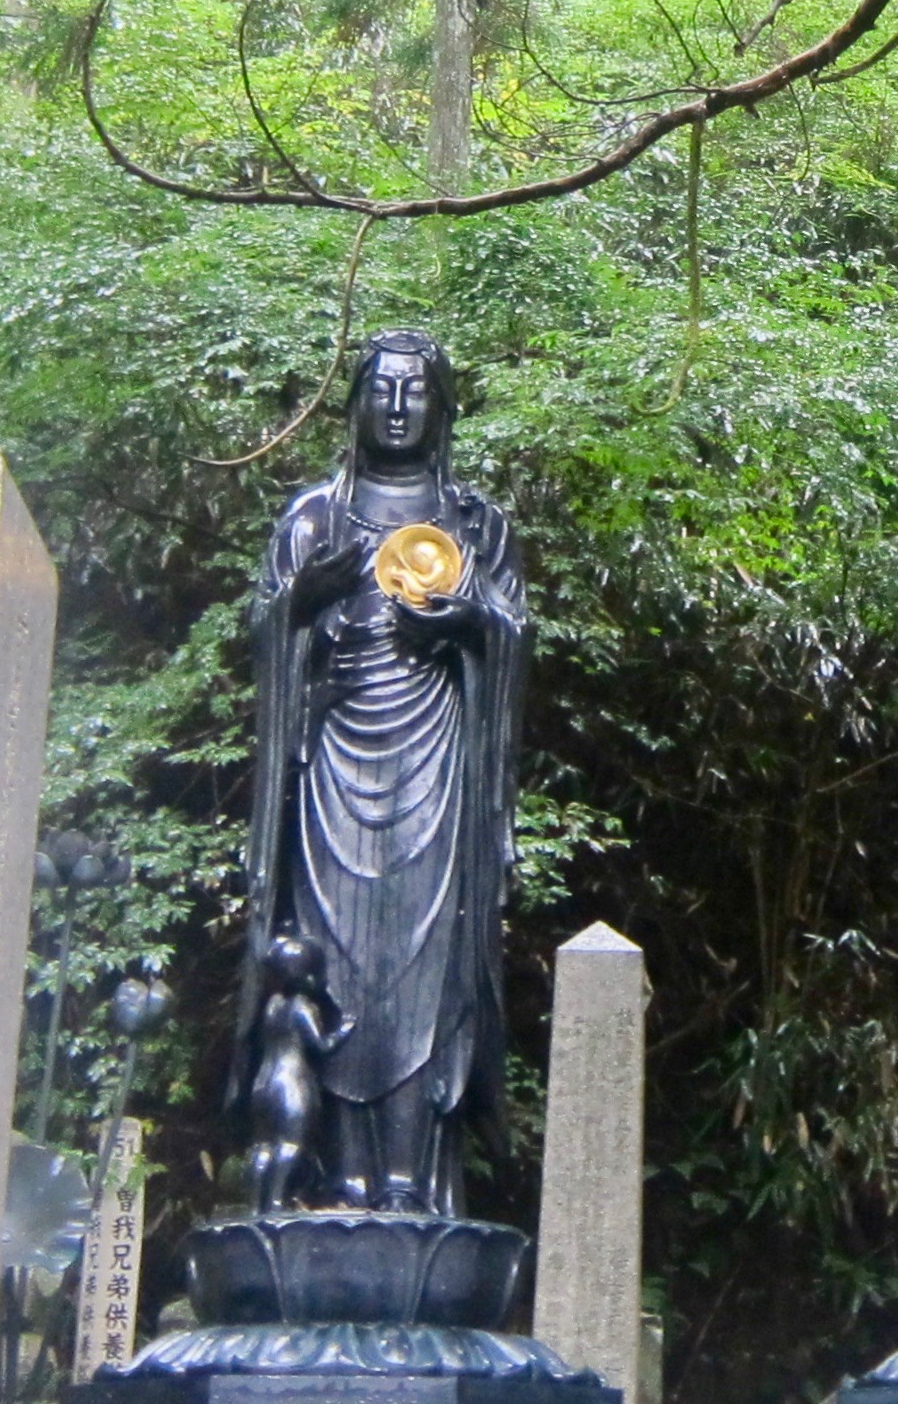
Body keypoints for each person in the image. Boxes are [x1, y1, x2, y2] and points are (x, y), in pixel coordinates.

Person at [234, 331, 528, 1215]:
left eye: (415, 392)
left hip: (434, 767)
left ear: (440, 407)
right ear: (354, 403)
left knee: (423, 971)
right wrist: (300, 602)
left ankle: (409, 1182)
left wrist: (472, 620)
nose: (397, 408)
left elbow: (514, 634)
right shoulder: (314, 517)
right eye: (381, 390)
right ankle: (343, 1178)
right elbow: (265, 632)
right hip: (330, 767)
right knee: (334, 970)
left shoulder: (476, 523)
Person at [247, 935, 348, 1215]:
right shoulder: (302, 1006)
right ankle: (276, 1201)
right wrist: (344, 1030)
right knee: (290, 1144)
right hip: (291, 1080)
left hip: (263, 1082)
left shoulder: (272, 1005)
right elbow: (321, 1045)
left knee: (262, 1146)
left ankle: (256, 1204)